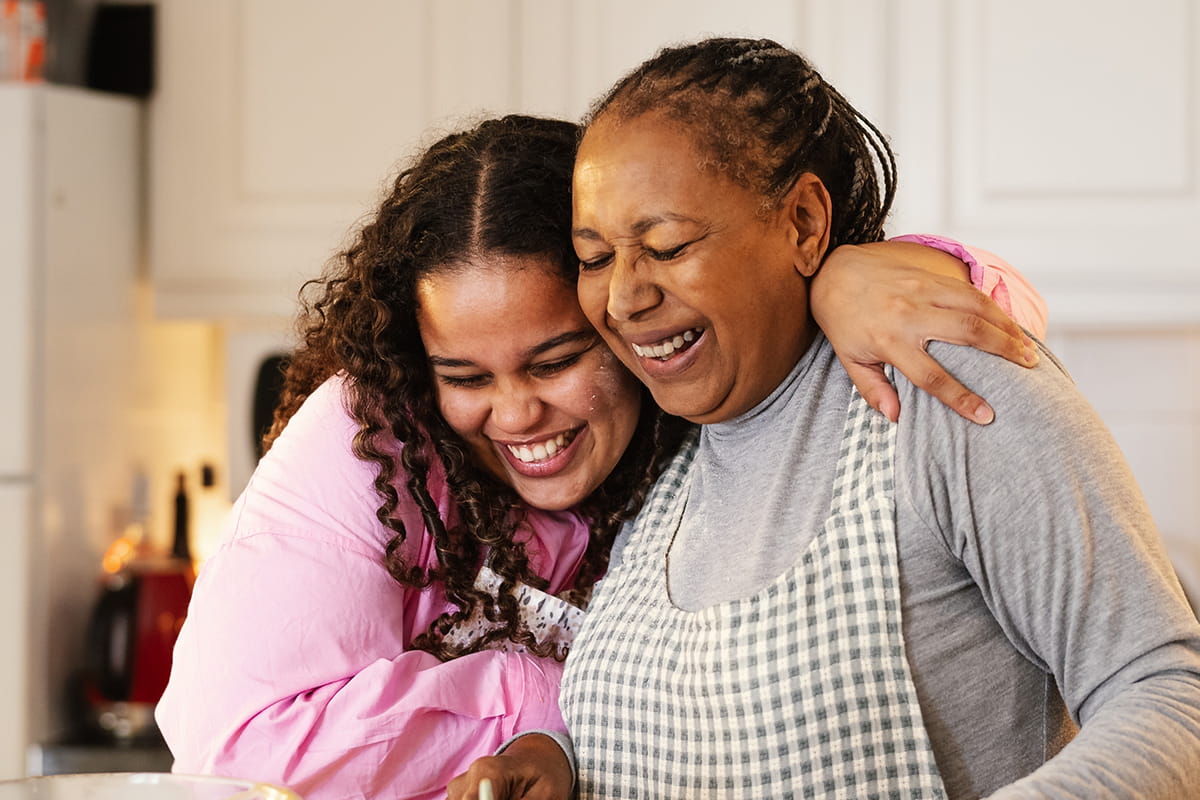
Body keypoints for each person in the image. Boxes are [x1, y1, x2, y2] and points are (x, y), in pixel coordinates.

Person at [156, 115, 1042, 800]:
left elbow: (1007, 329)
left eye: (556, 361)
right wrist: (558, 697)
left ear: (622, 308)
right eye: (465, 374)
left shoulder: (706, 401)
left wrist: (859, 274)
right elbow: (232, 757)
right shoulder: (371, 436)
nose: (515, 414)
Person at [449, 38, 1200, 800]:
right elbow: (687, 721)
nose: (624, 297)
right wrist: (556, 757)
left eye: (669, 246)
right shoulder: (659, 445)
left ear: (805, 224)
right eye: (596, 256)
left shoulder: (936, 390)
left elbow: (1170, 697)